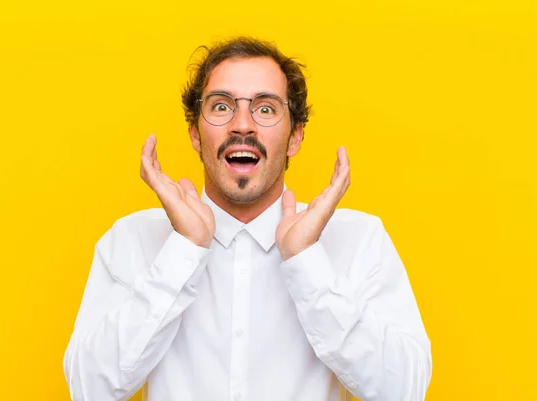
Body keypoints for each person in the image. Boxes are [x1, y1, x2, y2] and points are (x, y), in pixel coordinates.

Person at [62, 37, 432, 401]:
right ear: (195, 133)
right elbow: (88, 389)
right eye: (222, 107)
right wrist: (184, 251)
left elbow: (404, 391)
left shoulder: (359, 240)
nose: (242, 125)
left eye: (266, 109)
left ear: (295, 137)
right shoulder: (133, 239)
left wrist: (306, 261)